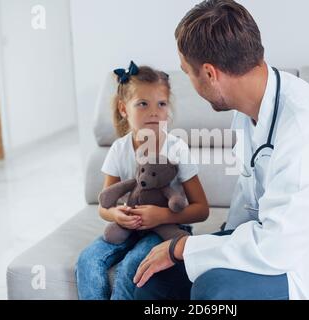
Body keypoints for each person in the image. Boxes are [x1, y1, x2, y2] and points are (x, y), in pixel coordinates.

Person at [131, 0, 309, 300]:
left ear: (210, 73)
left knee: (215, 290)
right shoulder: (247, 112)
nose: (188, 81)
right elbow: (247, 202)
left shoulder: (306, 129)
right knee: (152, 278)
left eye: (187, 72)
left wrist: (183, 248)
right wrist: (213, 245)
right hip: (269, 240)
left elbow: (280, 246)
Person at [75, 62, 209, 300]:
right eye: (143, 104)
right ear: (124, 109)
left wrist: (163, 216)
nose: (154, 112)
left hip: (168, 228)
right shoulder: (119, 148)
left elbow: (201, 210)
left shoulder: (176, 148)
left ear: (168, 110)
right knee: (88, 260)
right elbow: (105, 206)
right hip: (127, 228)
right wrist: (117, 215)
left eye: (161, 104)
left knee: (133, 265)